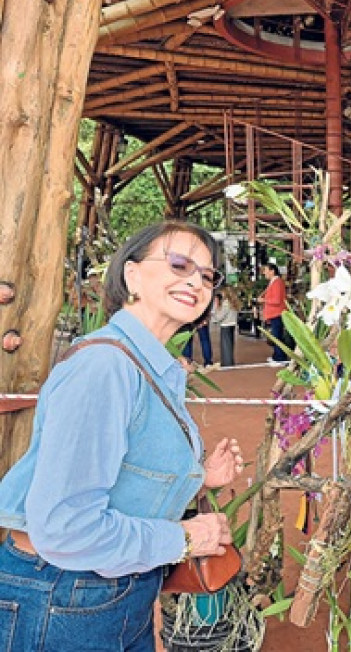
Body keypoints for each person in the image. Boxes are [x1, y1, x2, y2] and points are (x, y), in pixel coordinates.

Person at [0, 220, 245, 650]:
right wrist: (188, 538)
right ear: (131, 275)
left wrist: (199, 477)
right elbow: (65, 526)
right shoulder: (105, 368)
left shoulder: (151, 366)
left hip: (113, 592)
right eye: (178, 264)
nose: (195, 281)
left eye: (207, 275)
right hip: (63, 594)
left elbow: (123, 470)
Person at [258, 259, 288, 363]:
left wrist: (264, 300)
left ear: (272, 271)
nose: (264, 272)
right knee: (276, 336)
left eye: (266, 270)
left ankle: (280, 358)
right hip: (275, 314)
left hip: (277, 313)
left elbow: (276, 300)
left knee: (277, 336)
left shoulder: (277, 282)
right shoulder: (274, 282)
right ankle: (277, 356)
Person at [211, 286, 240, 367]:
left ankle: (227, 363)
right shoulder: (234, 302)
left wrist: (215, 310)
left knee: (225, 346)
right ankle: (230, 361)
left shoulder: (226, 303)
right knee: (230, 345)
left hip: (225, 325)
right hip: (232, 324)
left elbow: (219, 316)